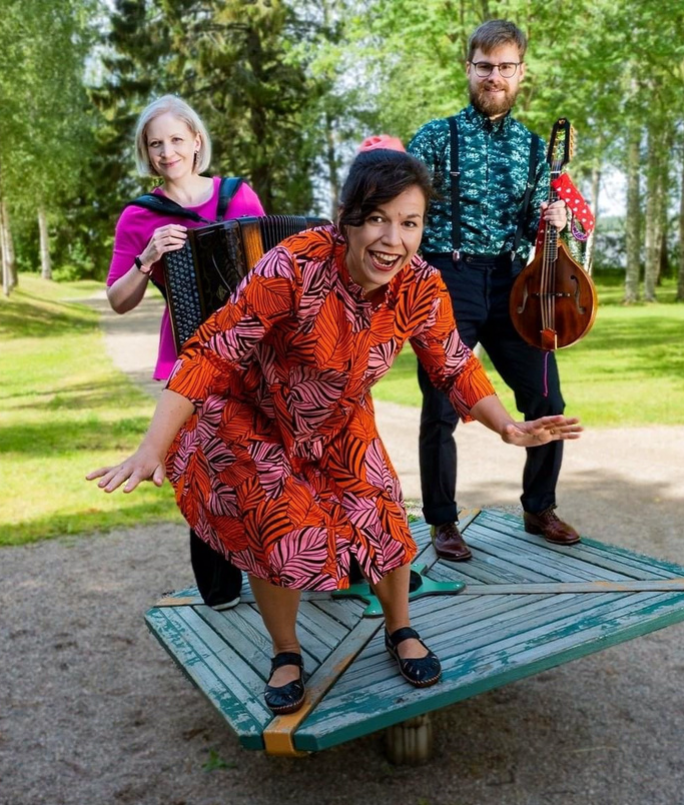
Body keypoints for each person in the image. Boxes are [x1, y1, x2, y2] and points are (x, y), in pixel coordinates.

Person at [88, 147, 582, 714]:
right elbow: (213, 352)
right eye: (377, 219)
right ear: (345, 218)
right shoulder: (294, 266)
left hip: (340, 417)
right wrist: (152, 447)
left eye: (410, 223)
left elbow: (453, 363)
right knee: (280, 530)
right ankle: (287, 651)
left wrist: (507, 426)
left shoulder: (420, 285)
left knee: (383, 513)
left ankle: (399, 629)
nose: (392, 239)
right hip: (255, 414)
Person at [408, 19, 579, 561]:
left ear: (521, 73)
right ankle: (443, 521)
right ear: (469, 69)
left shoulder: (533, 149)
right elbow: (405, 209)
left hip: (512, 284)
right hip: (446, 279)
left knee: (547, 398)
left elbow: (535, 224)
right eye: (485, 66)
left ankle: (539, 507)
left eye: (506, 67)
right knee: (441, 405)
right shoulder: (435, 137)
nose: (494, 76)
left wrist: (554, 220)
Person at [106, 94, 264, 611]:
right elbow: (118, 300)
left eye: (176, 139)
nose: (167, 151)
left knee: (271, 460)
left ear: (197, 141)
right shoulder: (139, 216)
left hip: (254, 351)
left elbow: (274, 268)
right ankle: (220, 588)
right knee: (206, 467)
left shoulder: (239, 197)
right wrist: (147, 257)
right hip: (188, 354)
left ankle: (293, 566)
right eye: (156, 144)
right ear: (147, 152)